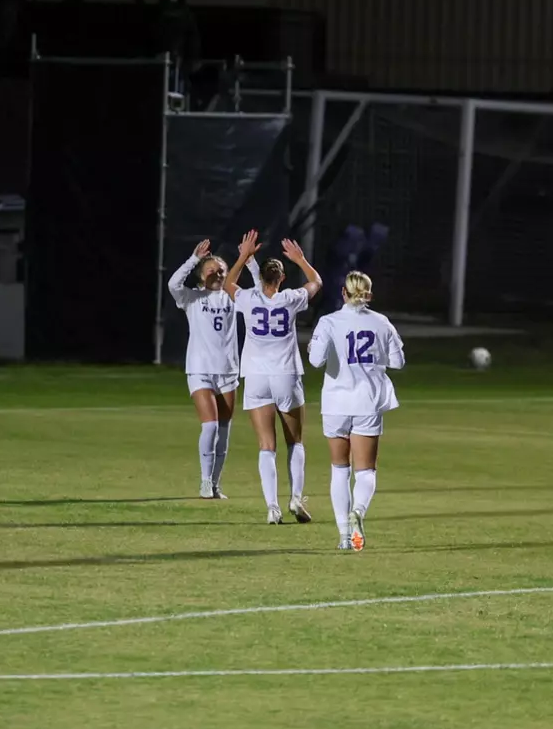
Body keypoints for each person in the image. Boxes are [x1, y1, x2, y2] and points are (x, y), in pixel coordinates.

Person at [223, 230, 323, 525]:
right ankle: (295, 498)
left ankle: (272, 508)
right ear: (280, 279)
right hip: (286, 375)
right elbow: (316, 282)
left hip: (255, 376)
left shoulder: (248, 299)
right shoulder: (290, 298)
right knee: (296, 442)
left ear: (262, 277)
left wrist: (243, 256)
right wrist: (301, 259)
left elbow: (229, 283)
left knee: (267, 445)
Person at [307, 271, 405, 551]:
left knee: (339, 469)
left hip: (336, 404)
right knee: (365, 471)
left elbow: (315, 361)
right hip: (367, 401)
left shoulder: (329, 322)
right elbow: (398, 361)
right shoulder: (381, 322)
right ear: (368, 294)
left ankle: (343, 536)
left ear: (343, 293)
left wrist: (314, 345)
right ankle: (358, 511)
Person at [167, 240, 238, 499]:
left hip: (228, 371)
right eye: (212, 270)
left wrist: (247, 261)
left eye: (221, 270)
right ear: (201, 274)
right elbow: (173, 284)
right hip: (200, 369)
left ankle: (216, 484)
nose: (217, 273)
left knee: (223, 429)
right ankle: (205, 481)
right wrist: (194, 259)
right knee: (209, 427)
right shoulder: (193, 298)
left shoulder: (232, 296)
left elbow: (258, 299)